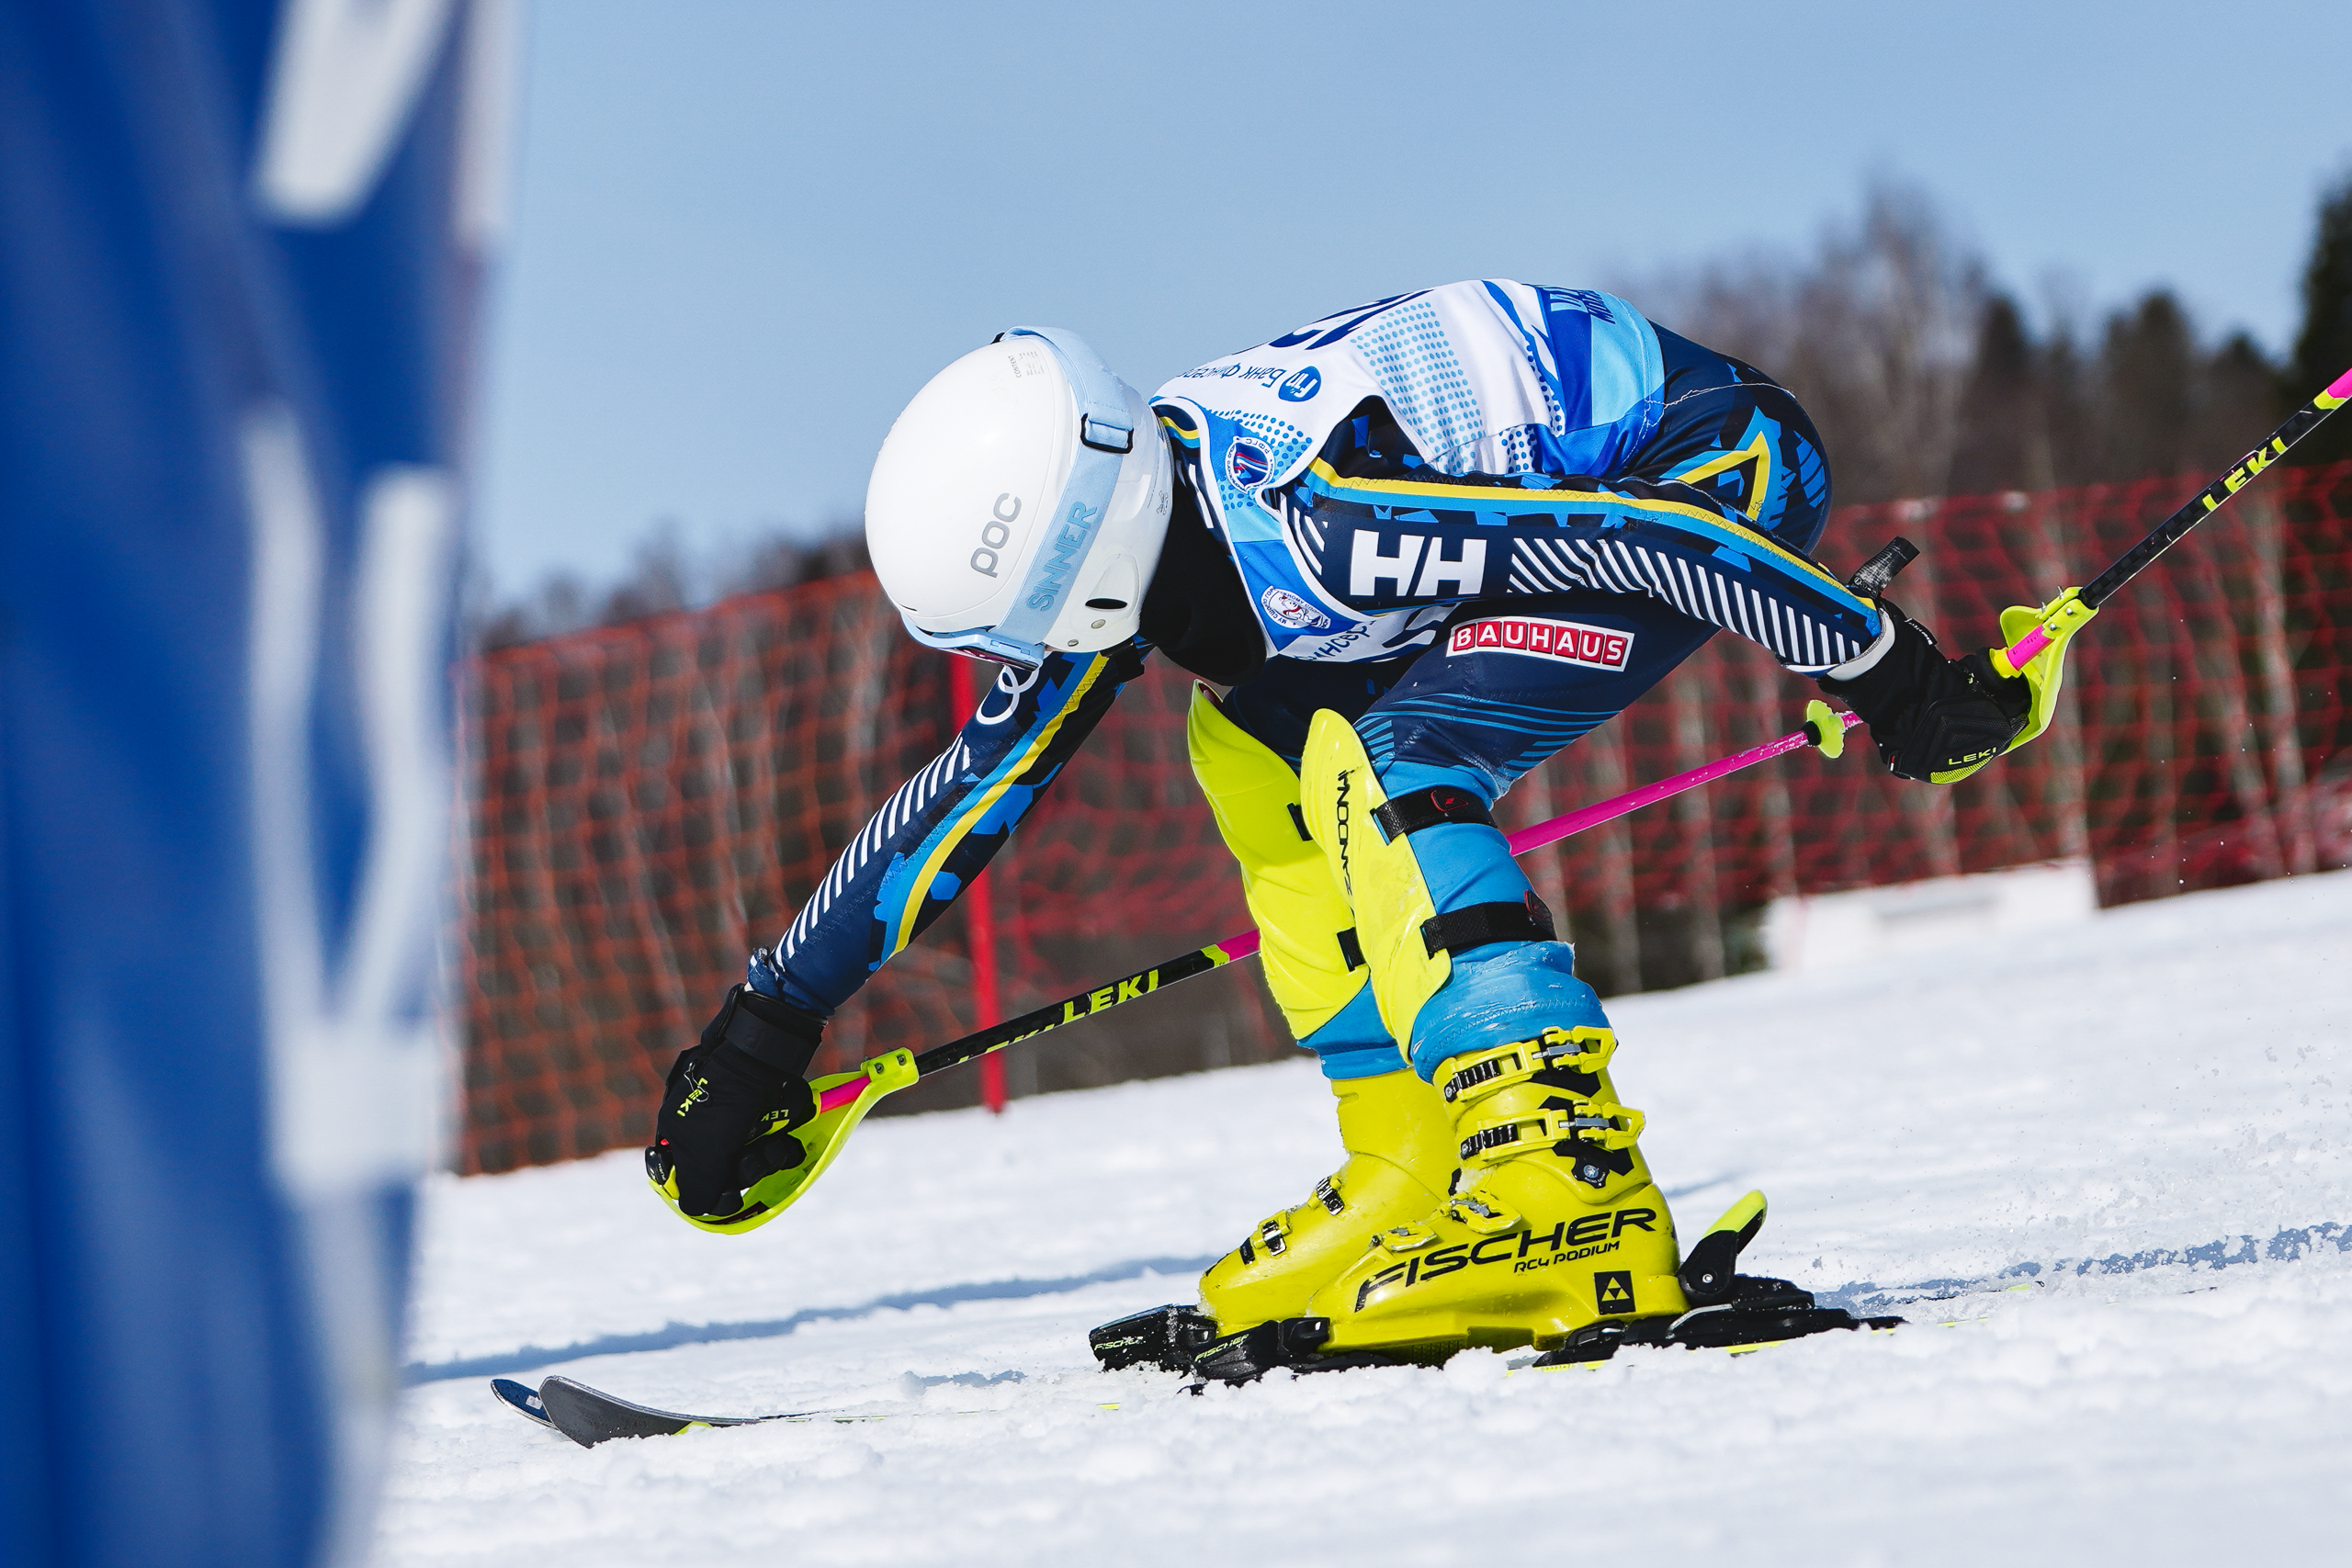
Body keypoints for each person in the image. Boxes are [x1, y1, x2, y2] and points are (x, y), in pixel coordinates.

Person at [646, 280, 2056, 1372]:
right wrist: (765, 1024)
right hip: (1603, 502)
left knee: (1396, 748)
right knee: (1250, 735)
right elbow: (966, 795)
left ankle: (1556, 1165)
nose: (1013, 663)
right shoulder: (1145, 503)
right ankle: (1417, 1156)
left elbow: (1653, 543)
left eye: (1004, 630)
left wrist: (1894, 676)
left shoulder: (1321, 520)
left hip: (1713, 472)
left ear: (1065, 572)